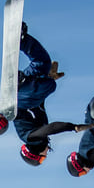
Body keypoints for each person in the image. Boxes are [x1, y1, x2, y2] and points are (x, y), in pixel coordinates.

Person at [12, 25, 78, 166]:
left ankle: (20, 82)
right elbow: (40, 105)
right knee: (43, 64)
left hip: (23, 98)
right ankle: (21, 39)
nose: (46, 154)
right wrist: (48, 78)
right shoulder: (38, 134)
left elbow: (52, 128)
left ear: (35, 154)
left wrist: (72, 127)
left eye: (42, 158)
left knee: (50, 86)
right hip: (30, 94)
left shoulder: (31, 138)